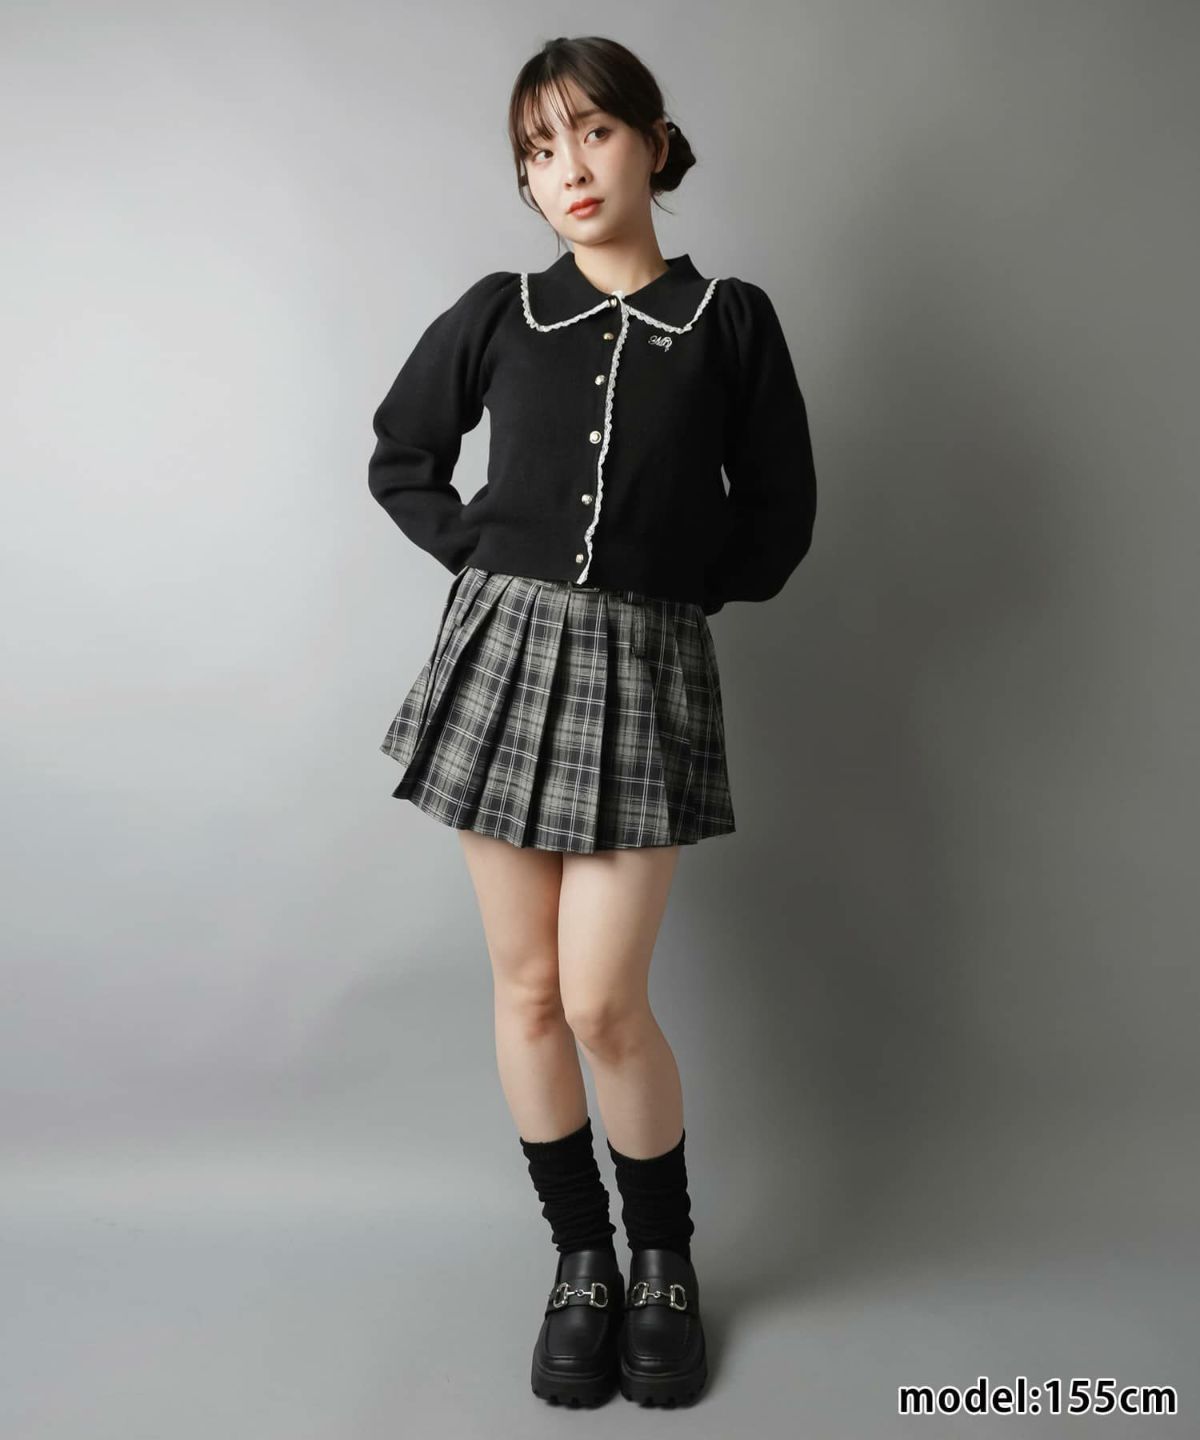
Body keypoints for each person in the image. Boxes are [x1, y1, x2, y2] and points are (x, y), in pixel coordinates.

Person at [366, 34, 817, 1408]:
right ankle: (581, 1261)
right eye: (538, 150)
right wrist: (487, 558)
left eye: (593, 133)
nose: (567, 168)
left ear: (654, 143)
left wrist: (672, 593)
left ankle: (663, 1259)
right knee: (526, 991)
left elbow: (779, 514)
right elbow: (402, 454)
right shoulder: (502, 312)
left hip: (647, 667)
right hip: (504, 663)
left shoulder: (728, 320)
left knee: (604, 1001)